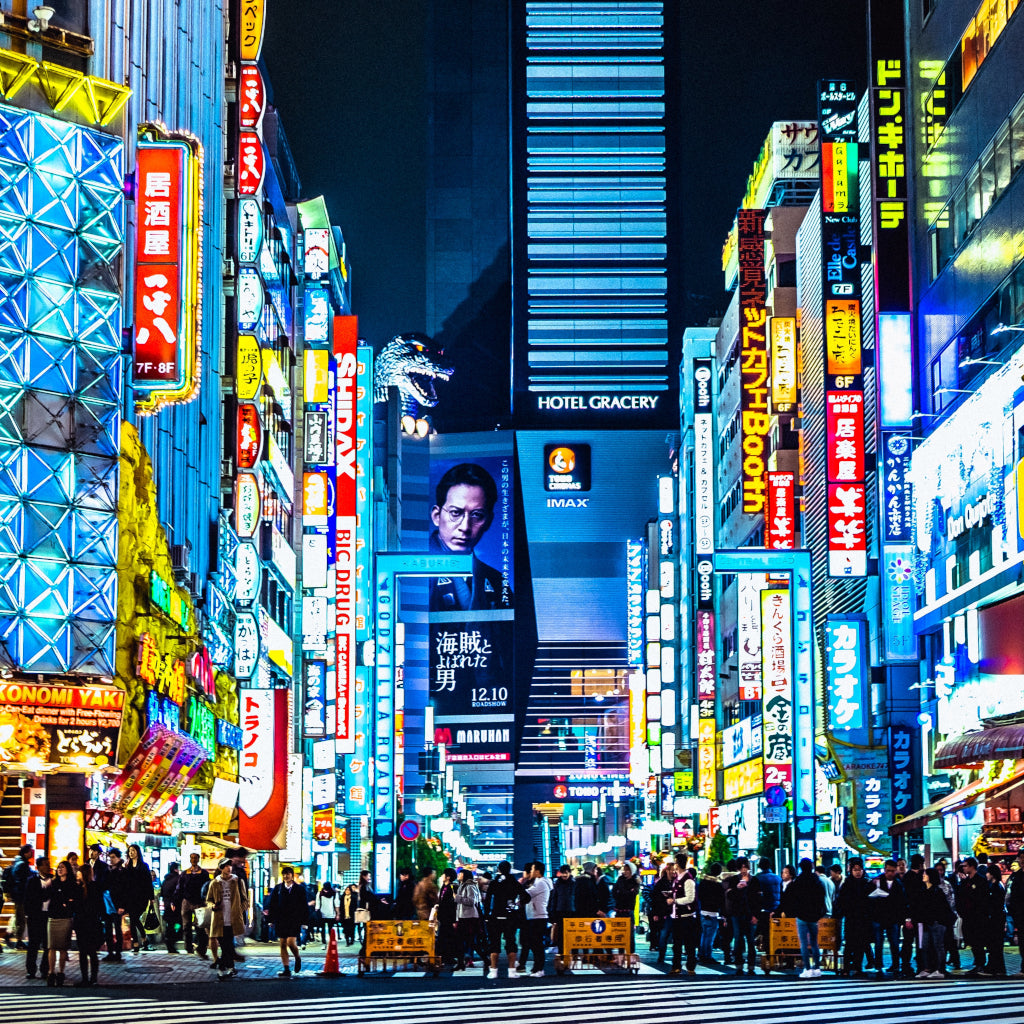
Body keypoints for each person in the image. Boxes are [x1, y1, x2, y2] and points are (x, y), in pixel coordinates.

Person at [428, 463, 512, 611]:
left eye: (477, 515)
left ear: (488, 521)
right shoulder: (415, 571)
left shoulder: (497, 581)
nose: (465, 527)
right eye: (455, 513)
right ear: (436, 516)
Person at [780, 858, 826, 979]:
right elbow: (822, 897)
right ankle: (817, 968)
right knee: (815, 943)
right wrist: (819, 912)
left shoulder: (798, 882)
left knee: (804, 943)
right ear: (811, 866)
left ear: (800, 867)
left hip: (801, 915)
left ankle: (807, 968)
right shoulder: (817, 880)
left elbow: (792, 899)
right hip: (814, 916)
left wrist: (795, 911)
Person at [483, 860, 528, 979]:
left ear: (498, 869)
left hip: (495, 916)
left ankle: (493, 971)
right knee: (511, 942)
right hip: (510, 916)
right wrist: (517, 904)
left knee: (494, 943)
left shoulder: (493, 883)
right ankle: (512, 970)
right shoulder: (514, 882)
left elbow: (487, 900)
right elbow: (526, 897)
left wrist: (487, 915)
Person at [207, 859, 247, 979]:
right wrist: (213, 906)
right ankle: (230, 967)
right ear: (220, 868)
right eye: (225, 866)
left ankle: (222, 967)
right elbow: (209, 899)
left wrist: (240, 909)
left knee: (228, 944)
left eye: (229, 865)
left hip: (233, 918)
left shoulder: (238, 881)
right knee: (225, 945)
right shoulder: (215, 883)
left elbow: (245, 899)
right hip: (219, 919)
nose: (228, 868)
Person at [267, 866, 309, 976]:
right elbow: (273, 904)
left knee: (290, 942)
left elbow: (304, 906)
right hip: (281, 919)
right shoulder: (278, 888)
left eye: (288, 873)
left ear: (292, 875)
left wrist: (305, 922)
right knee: (282, 944)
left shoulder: (299, 889)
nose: (286, 876)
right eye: (284, 874)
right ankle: (286, 969)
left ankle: (297, 957)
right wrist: (271, 920)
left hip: (294, 919)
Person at [834, 858, 872, 977]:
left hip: (863, 919)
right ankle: (846, 967)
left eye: (859, 870)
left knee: (860, 944)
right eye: (855, 870)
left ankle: (857, 967)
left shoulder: (867, 883)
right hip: (851, 918)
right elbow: (841, 901)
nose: (857, 872)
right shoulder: (847, 883)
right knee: (849, 943)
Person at [724, 857, 761, 975]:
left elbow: (758, 899)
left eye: (745, 866)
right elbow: (729, 896)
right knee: (738, 938)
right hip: (737, 913)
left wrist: (756, 915)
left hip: (750, 914)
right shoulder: (734, 880)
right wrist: (738, 888)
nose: (744, 869)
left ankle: (751, 966)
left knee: (750, 940)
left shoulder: (754, 880)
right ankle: (739, 965)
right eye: (741, 867)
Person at [870, 859, 907, 977]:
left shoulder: (898, 884)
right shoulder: (876, 881)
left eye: (892, 871)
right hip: (879, 916)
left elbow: (902, 903)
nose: (890, 873)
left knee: (894, 943)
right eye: (888, 871)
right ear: (885, 870)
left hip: (892, 918)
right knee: (879, 943)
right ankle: (879, 965)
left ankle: (895, 965)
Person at [46, 860, 80, 986]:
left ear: (67, 870)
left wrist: (67, 903)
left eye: (62, 867)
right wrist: (65, 901)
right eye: (58, 867)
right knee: (52, 946)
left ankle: (60, 972)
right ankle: (51, 972)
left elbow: (73, 900)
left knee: (62, 947)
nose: (60, 869)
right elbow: (49, 896)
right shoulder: (53, 883)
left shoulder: (72, 884)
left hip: (65, 918)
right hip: (53, 916)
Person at [917, 867, 954, 979]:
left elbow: (942, 908)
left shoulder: (938, 891)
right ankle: (927, 968)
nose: (923, 875)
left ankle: (940, 969)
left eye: (925, 874)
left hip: (937, 922)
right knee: (925, 946)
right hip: (927, 923)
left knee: (938, 946)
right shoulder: (924, 890)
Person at [957, 857, 989, 976]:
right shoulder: (965, 882)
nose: (964, 868)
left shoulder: (980, 880)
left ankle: (980, 963)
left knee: (978, 940)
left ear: (972, 866)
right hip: (967, 916)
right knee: (971, 940)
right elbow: (960, 896)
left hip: (978, 917)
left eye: (965, 866)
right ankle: (977, 963)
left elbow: (983, 900)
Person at [667, 859, 699, 975]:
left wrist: (674, 900)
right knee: (677, 943)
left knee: (689, 943)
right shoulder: (677, 879)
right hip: (676, 915)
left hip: (686, 916)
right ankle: (676, 966)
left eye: (675, 863)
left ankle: (690, 966)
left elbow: (690, 898)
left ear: (678, 864)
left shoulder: (688, 880)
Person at [174, 852, 210, 957]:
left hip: (199, 902)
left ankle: (201, 947)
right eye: (192, 858)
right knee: (186, 926)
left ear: (198, 859)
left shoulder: (203, 873)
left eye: (195, 858)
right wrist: (175, 900)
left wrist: (206, 900)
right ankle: (188, 947)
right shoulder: (185, 873)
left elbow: (207, 887)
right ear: (190, 860)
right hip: (186, 901)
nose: (193, 860)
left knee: (200, 926)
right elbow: (179, 888)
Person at [74, 863, 104, 987]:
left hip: (84, 922)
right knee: (90, 952)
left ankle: (86, 978)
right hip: (92, 922)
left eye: (79, 873)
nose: (77, 875)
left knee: (84, 951)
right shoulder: (94, 887)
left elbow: (76, 905)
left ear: (83, 874)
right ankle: (93, 978)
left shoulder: (82, 888)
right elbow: (101, 906)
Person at [523, 861, 553, 977]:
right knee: (534, 942)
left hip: (538, 916)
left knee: (536, 943)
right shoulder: (539, 882)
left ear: (537, 871)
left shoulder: (541, 883)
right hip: (535, 916)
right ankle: (537, 968)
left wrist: (522, 882)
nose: (530, 872)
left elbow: (526, 893)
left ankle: (539, 969)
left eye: (532, 870)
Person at [24, 855, 51, 981]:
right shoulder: (32, 881)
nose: (47, 866)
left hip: (48, 916)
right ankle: (31, 970)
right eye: (45, 864)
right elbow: (29, 899)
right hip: (35, 916)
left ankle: (45, 969)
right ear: (39, 867)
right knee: (33, 944)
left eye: (48, 863)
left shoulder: (53, 881)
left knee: (47, 944)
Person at [123, 844, 153, 953]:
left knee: (135, 919)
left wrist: (151, 897)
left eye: (133, 850)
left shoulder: (144, 866)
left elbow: (148, 881)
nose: (131, 852)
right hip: (130, 897)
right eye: (130, 851)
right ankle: (138, 943)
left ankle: (143, 940)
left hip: (142, 897)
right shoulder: (127, 866)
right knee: (133, 919)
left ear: (137, 852)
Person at [5, 844, 34, 948]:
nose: (32, 853)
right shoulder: (22, 864)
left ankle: (10, 934)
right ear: (26, 852)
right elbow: (22, 880)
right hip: (20, 895)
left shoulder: (18, 862)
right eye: (30, 851)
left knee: (19, 916)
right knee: (20, 918)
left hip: (18, 894)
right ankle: (18, 940)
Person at [981, 863, 1007, 977]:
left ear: (992, 874)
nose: (986, 874)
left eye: (988, 872)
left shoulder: (996, 887)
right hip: (997, 919)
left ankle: (994, 968)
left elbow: (995, 904)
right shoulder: (996, 886)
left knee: (994, 944)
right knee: (995, 945)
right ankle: (997, 968)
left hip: (996, 920)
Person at [697, 862, 725, 964]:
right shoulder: (717, 884)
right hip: (713, 912)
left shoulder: (703, 882)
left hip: (703, 911)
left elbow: (699, 896)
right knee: (710, 936)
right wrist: (722, 912)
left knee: (704, 934)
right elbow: (721, 900)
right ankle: (707, 955)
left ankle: (701, 954)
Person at [454, 868, 482, 969]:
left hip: (470, 918)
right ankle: (460, 963)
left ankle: (485, 959)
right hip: (463, 917)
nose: (458, 874)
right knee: (461, 941)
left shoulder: (470, 886)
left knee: (469, 941)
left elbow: (471, 901)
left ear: (465, 875)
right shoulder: (462, 885)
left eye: (460, 873)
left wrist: (457, 897)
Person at [104, 849, 127, 961]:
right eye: (110, 857)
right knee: (108, 928)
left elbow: (124, 889)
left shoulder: (122, 871)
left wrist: (122, 905)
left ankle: (118, 952)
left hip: (117, 904)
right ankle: (110, 952)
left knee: (117, 928)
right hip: (107, 903)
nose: (111, 859)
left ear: (118, 858)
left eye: (113, 857)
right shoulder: (107, 870)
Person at [548, 864, 575, 954]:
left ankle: (573, 953)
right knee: (561, 934)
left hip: (571, 911)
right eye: (563, 873)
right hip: (560, 911)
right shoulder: (557, 884)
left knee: (572, 933)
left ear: (569, 873)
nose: (564, 875)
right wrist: (552, 912)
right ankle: (562, 952)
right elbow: (554, 899)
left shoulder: (574, 883)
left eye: (566, 873)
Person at [435, 867, 459, 967]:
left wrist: (454, 919)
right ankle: (444, 957)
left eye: (443, 874)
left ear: (448, 877)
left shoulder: (453, 887)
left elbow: (454, 904)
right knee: (443, 936)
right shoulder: (443, 887)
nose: (441, 876)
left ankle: (448, 957)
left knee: (448, 937)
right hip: (443, 917)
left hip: (449, 917)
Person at [160, 862, 182, 953]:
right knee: (180, 924)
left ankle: (170, 943)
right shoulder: (178, 879)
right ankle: (171, 942)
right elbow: (179, 893)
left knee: (171, 925)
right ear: (176, 869)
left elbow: (162, 893)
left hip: (167, 906)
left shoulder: (165, 880)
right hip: (176, 906)